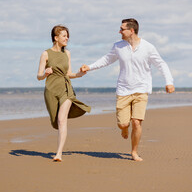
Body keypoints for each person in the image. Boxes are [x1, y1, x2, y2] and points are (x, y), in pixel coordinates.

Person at [81, 18, 175, 162]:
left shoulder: (148, 47)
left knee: (137, 122)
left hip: (141, 89)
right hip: (123, 90)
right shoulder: (118, 46)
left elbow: (161, 64)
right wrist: (90, 67)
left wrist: (169, 82)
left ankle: (134, 152)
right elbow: (106, 59)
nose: (119, 31)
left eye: (122, 29)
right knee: (123, 124)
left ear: (131, 31)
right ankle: (124, 128)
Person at [37, 25, 91, 162]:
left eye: (67, 36)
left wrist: (80, 74)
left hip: (66, 90)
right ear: (56, 38)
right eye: (64, 36)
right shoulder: (46, 54)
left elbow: (68, 74)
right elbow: (38, 76)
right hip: (51, 90)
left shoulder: (67, 53)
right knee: (56, 122)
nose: (67, 38)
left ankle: (59, 153)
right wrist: (45, 74)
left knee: (62, 119)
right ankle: (59, 149)